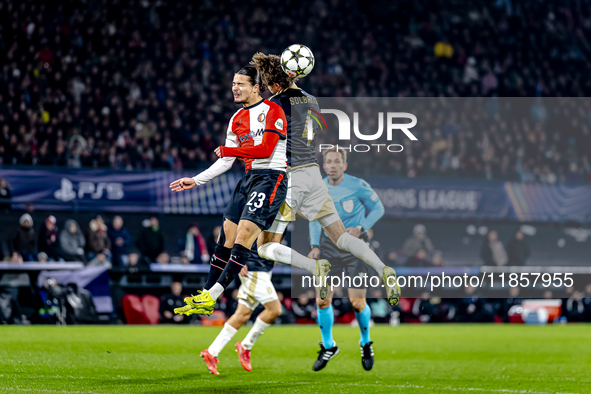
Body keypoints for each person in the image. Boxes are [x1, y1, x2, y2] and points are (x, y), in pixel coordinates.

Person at [249, 53, 400, 307]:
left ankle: (313, 266)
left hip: (289, 175)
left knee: (264, 247)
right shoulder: (312, 100)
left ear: (275, 84)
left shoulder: (273, 104)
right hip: (313, 173)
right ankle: (382, 268)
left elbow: (267, 143)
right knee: (340, 236)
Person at [169, 66, 296, 316]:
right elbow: (225, 162)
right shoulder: (236, 118)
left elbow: (266, 150)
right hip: (249, 178)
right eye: (233, 84)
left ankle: (214, 294)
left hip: (271, 178)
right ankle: (205, 294)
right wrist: (196, 180)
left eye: (240, 84)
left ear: (256, 87)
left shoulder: (273, 110)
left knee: (244, 236)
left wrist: (232, 151)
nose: (235, 88)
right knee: (227, 234)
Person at [307, 146, 384, 371]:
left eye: (336, 161)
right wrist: (314, 245)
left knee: (357, 303)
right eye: (328, 161)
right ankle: (329, 345)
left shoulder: (357, 185)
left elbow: (378, 208)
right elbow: (314, 218)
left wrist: (361, 227)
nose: (332, 165)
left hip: (355, 249)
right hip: (328, 248)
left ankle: (365, 342)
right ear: (323, 166)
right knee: (322, 300)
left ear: (344, 165)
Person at [199, 232, 281, 375]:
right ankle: (246, 345)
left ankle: (211, 352)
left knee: (242, 315)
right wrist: (236, 258)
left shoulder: (281, 212)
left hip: (264, 269)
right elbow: (231, 230)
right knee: (275, 310)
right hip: (254, 269)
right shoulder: (258, 209)